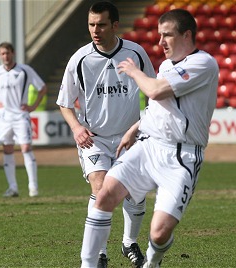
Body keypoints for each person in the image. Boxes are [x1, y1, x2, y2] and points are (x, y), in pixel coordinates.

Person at [80, 9, 219, 268]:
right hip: (149, 145)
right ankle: (87, 264)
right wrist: (134, 129)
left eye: (167, 35)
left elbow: (154, 91)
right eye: (159, 35)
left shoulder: (204, 64)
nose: (161, 42)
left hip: (182, 156)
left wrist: (133, 72)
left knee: (159, 233)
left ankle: (152, 262)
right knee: (104, 195)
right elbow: (158, 108)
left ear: (187, 35)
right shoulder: (166, 65)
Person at [56, 2, 156, 267]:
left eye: (101, 24)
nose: (95, 30)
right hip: (95, 139)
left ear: (115, 25)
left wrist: (141, 127)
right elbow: (64, 103)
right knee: (101, 191)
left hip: (131, 136)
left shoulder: (136, 53)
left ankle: (128, 242)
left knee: (134, 193)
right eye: (91, 24)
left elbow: (153, 92)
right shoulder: (79, 59)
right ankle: (99, 253)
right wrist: (77, 128)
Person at [0, 42, 47, 198]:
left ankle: (33, 186)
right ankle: (13, 187)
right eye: (3, 54)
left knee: (25, 148)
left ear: (13, 53)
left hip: (20, 115)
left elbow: (42, 88)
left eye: (8, 53)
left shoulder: (25, 70)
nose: (5, 56)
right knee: (7, 149)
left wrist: (32, 106)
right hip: (3, 117)